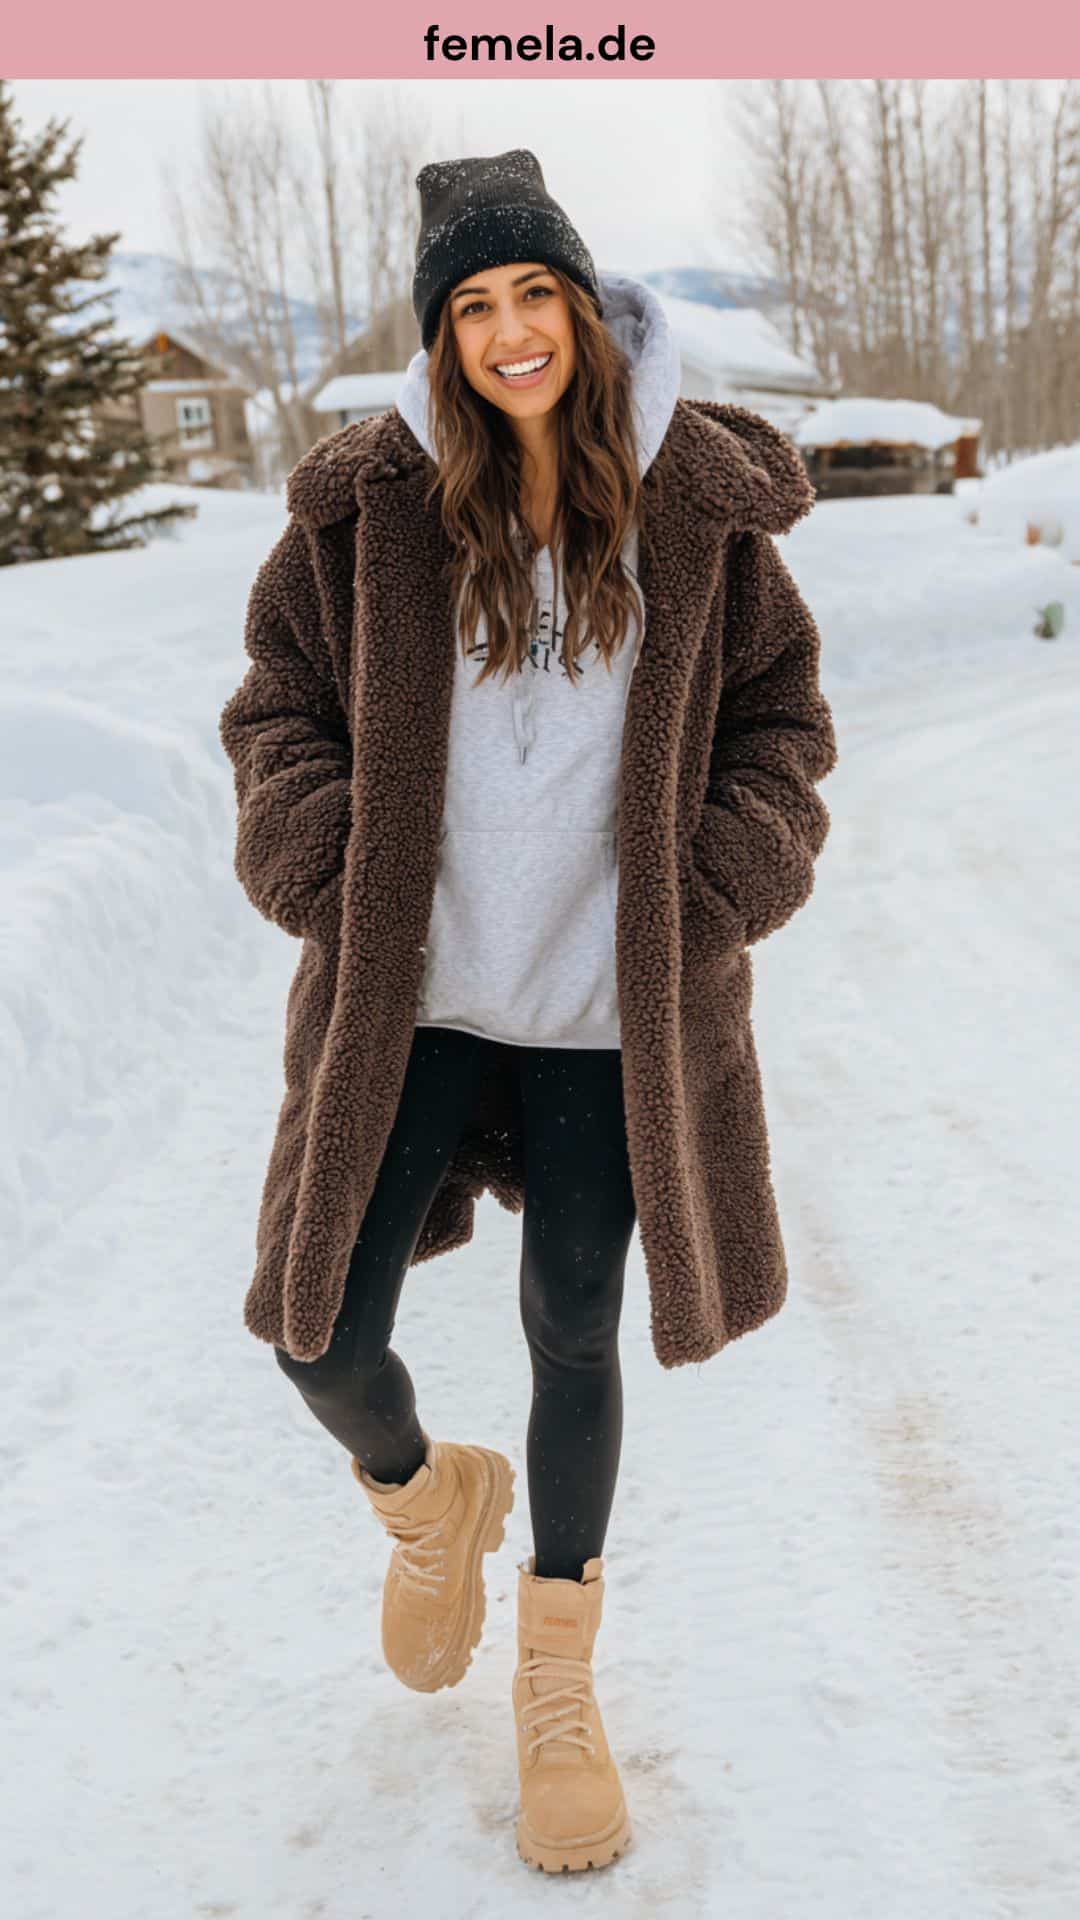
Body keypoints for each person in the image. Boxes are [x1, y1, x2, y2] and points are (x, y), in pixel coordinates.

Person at [218, 148, 837, 1875]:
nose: (506, 333)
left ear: (584, 305)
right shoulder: (364, 516)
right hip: (410, 1004)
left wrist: (724, 881)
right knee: (317, 1326)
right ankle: (430, 1502)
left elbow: (782, 725)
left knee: (575, 1324)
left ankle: (557, 1677)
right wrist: (321, 855)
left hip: (601, 1012)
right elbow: (276, 705)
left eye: (531, 295)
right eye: (471, 307)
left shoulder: (695, 511)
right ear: (441, 337)